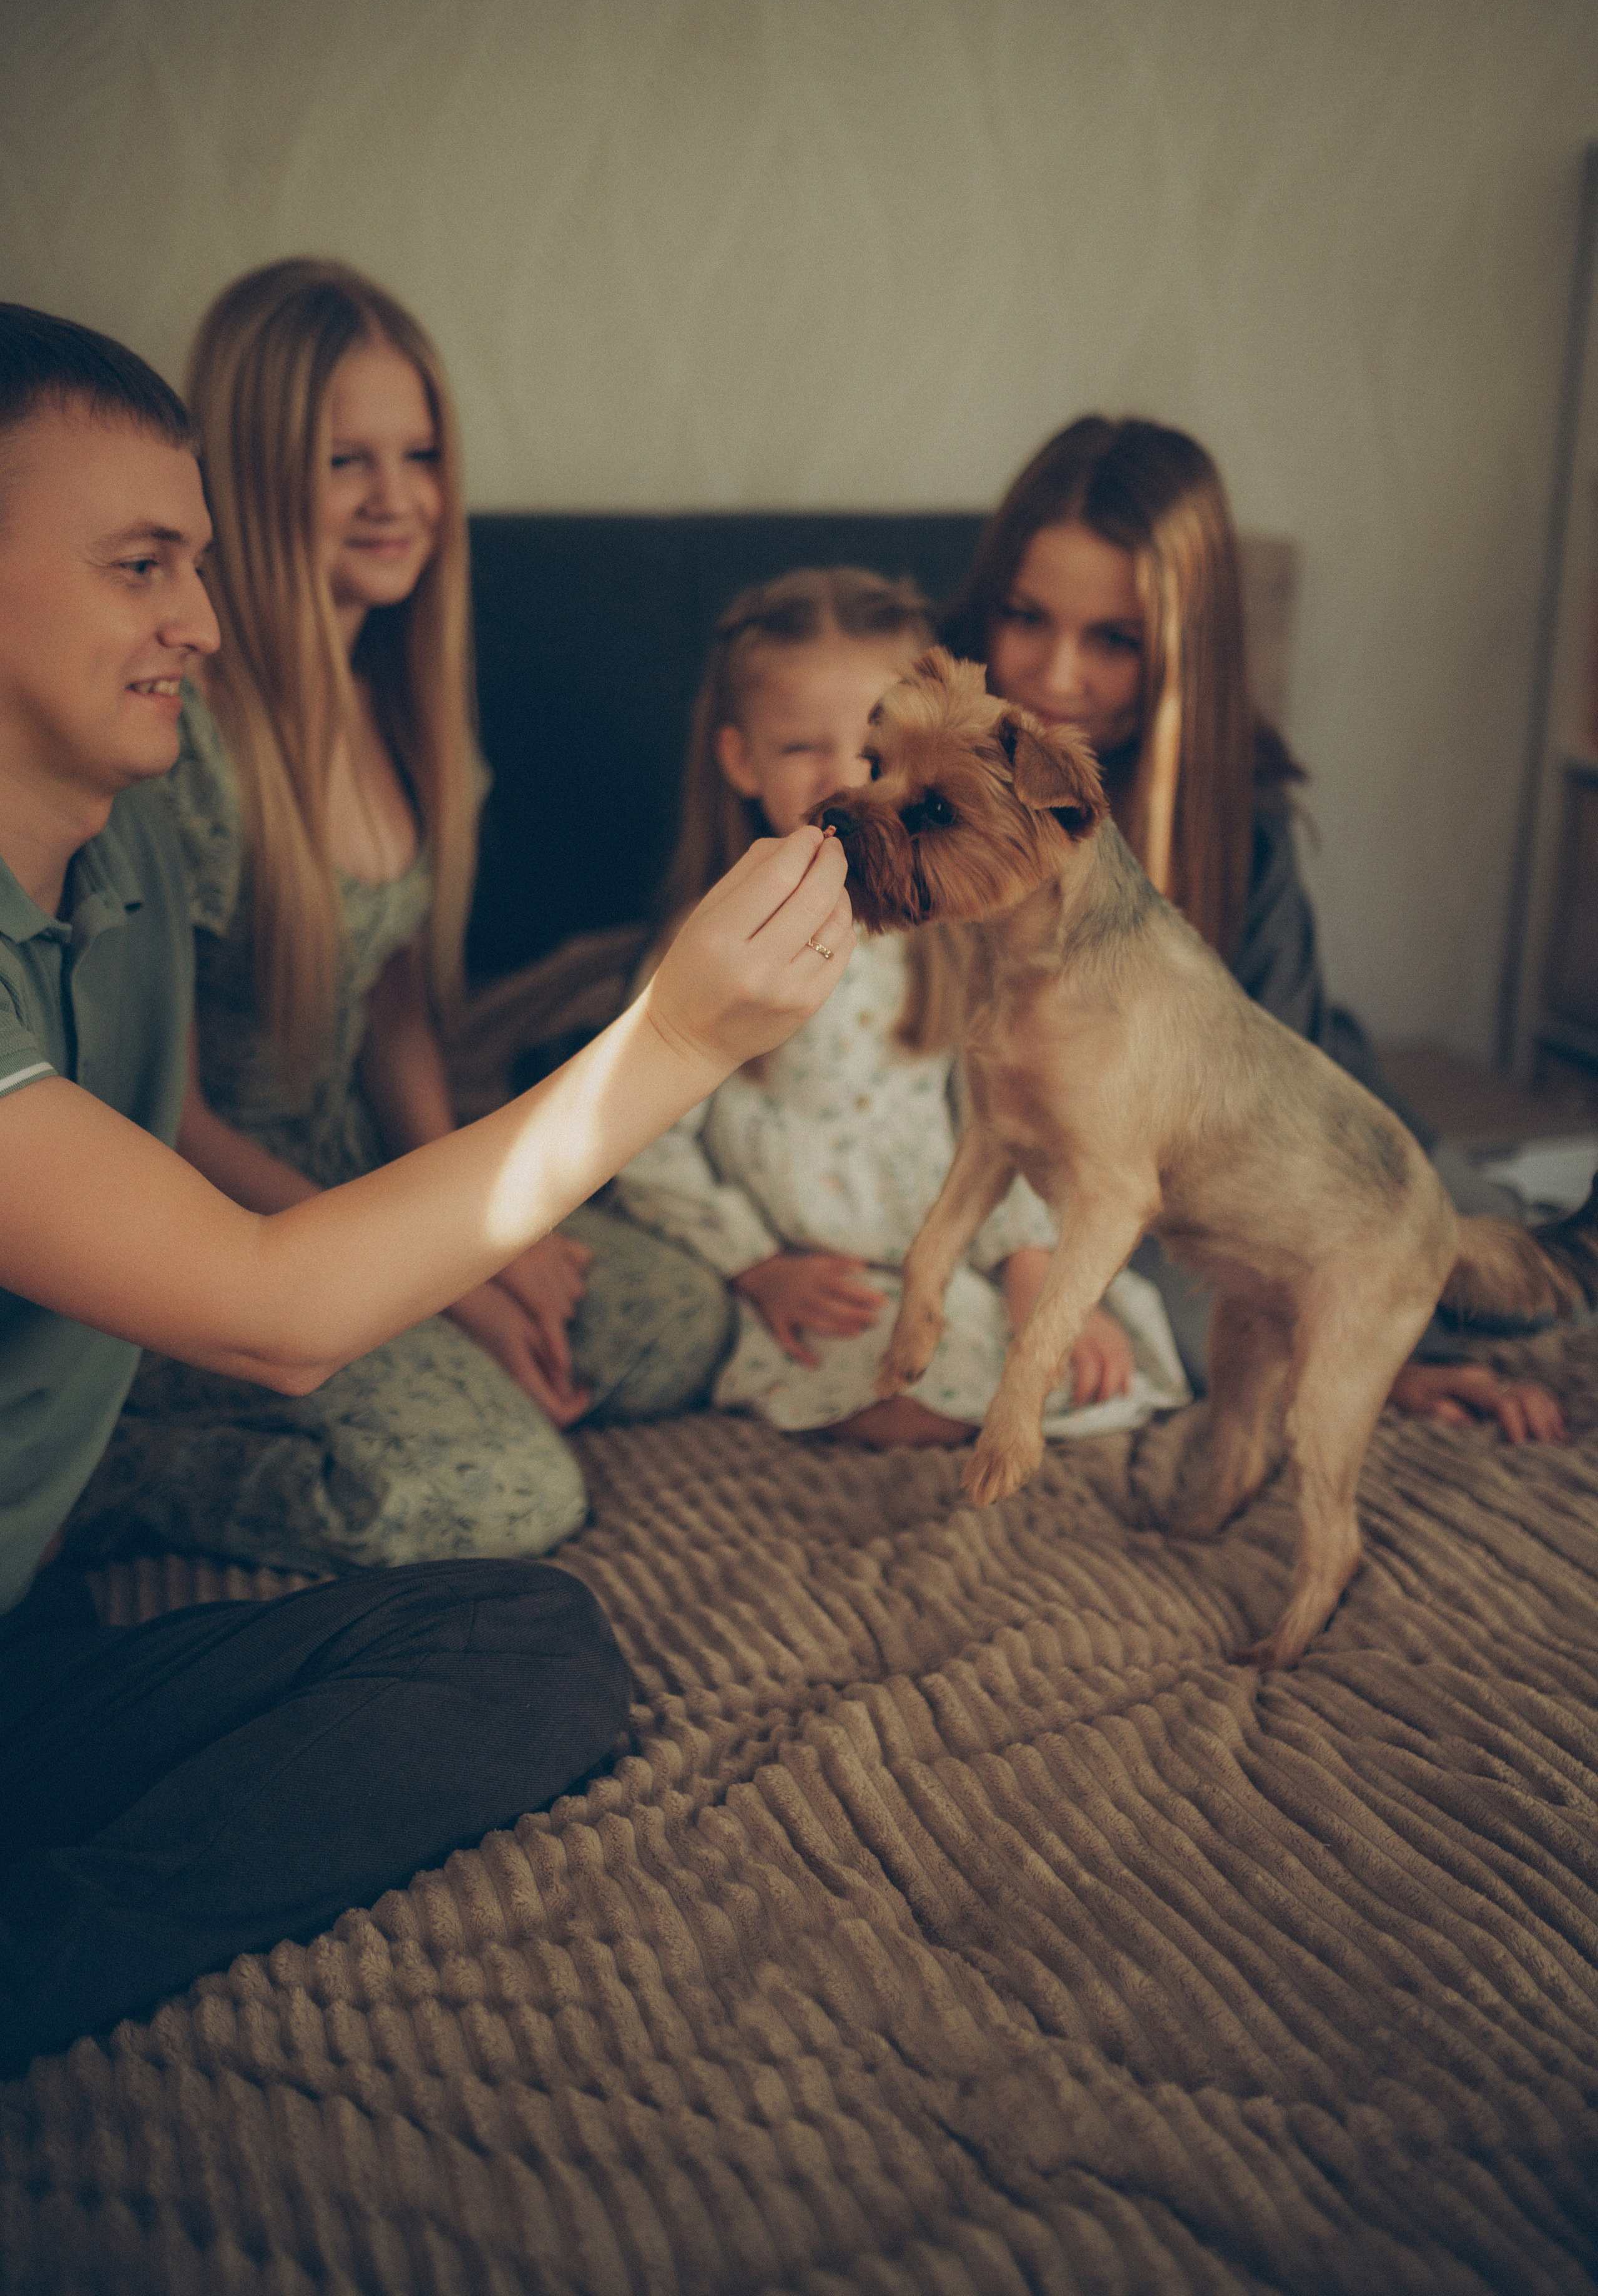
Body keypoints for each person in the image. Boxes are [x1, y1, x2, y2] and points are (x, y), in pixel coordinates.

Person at [0, 302, 853, 2073]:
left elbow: (347, 1050)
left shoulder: (131, 841)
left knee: (530, 1652)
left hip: (31, 1630)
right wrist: (675, 1039)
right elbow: (276, 1311)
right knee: (472, 1483)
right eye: (141, 566)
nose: (204, 626)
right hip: (210, 1347)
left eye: (203, 566)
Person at [64, 260, 733, 1579]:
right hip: (231, 1221)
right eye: (345, 461)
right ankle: (123, 1462)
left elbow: (398, 1014)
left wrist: (499, 1230)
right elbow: (166, 1114)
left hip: (374, 1175)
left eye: (420, 454)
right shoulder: (186, 744)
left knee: (679, 1320)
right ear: (254, 480)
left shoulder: (401, 701)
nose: (398, 498)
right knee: (498, 1493)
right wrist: (452, 1288)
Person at [943, 413, 1566, 1441]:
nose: (1056, 677)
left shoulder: (1244, 823)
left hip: (1273, 1110)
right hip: (1110, 1176)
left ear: (1183, 647)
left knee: (1496, 1256)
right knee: (1202, 1325)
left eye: (1113, 640)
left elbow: (1283, 1094)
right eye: (1025, 618)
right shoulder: (931, 768)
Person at [613, 567, 1190, 1444]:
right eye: (804, 748)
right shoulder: (713, 945)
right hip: (823, 1274)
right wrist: (757, 1266)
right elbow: (645, 1137)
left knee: (1075, 1360)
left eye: (877, 755)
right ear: (741, 760)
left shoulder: (953, 935)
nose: (848, 781)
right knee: (896, 1377)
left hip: (957, 1248)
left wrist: (1031, 1264)